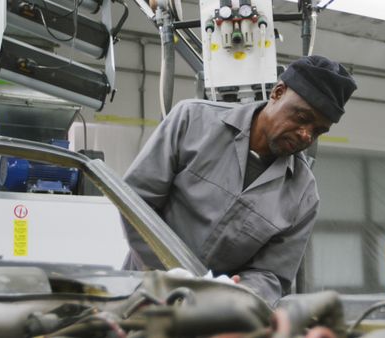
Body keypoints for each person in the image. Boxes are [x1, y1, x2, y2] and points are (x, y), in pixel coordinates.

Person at [122, 55, 357, 306]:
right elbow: (137, 202)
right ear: (278, 92)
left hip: (213, 317)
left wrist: (236, 295)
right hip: (141, 294)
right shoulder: (192, 121)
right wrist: (170, 276)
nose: (306, 135)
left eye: (318, 131)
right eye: (301, 118)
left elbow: (272, 274)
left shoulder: (303, 194)